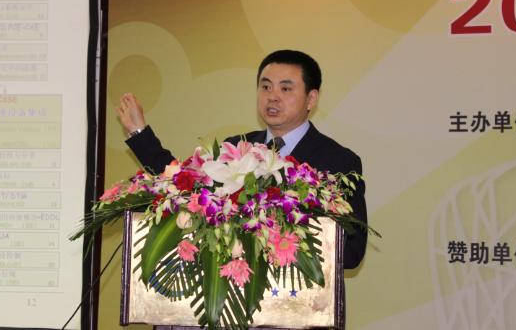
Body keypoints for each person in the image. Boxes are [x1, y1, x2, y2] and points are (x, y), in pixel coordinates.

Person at [117, 49, 367, 269]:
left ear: (311, 99)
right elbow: (184, 187)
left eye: (286, 89)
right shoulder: (237, 148)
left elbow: (352, 252)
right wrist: (140, 134)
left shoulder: (339, 162)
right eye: (265, 87)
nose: (273, 96)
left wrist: (279, 238)